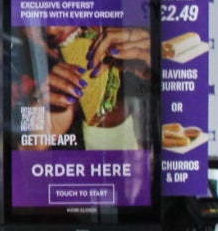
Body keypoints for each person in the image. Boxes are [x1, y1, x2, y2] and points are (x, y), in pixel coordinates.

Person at [12, 25, 153, 150]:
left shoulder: (153, 49)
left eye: (62, 6)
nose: (51, 29)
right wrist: (32, 146)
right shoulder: (21, 94)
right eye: (32, 13)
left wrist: (161, 79)